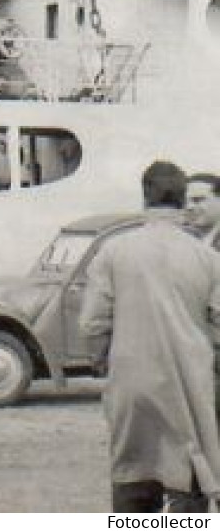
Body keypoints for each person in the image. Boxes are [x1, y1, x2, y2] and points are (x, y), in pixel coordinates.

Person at [80, 160, 220, 513]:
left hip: (132, 381)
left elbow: (93, 323)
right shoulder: (207, 257)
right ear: (182, 198)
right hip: (190, 384)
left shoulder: (112, 252)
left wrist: (103, 362)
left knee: (132, 474)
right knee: (189, 477)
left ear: (144, 196)